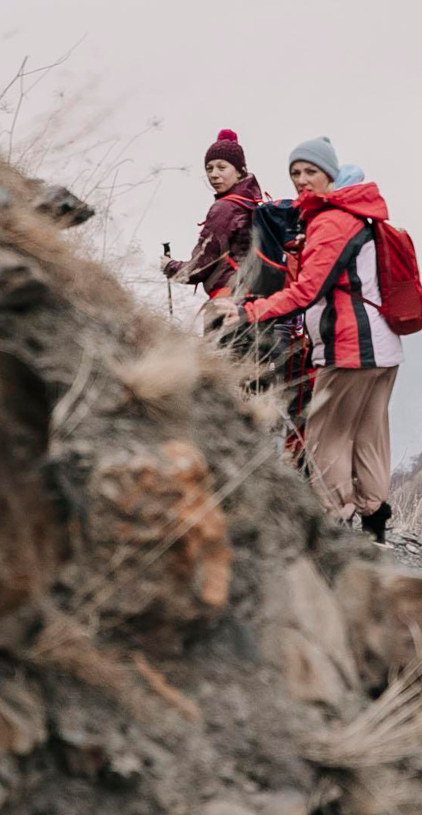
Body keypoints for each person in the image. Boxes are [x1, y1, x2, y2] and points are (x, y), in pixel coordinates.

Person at [235, 136, 399, 542]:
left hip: (349, 346)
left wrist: (249, 311)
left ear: (331, 174)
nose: (302, 180)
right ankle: (374, 519)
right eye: (295, 173)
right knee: (368, 433)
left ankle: (334, 521)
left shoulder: (331, 220)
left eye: (311, 171)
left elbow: (307, 290)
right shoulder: (360, 215)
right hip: (383, 345)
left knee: (327, 434)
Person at [162, 129, 264, 301]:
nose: (214, 174)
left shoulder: (226, 208)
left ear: (239, 171)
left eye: (222, 167)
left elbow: (201, 266)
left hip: (228, 302)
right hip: (257, 303)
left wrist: (170, 267)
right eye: (209, 168)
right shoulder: (253, 203)